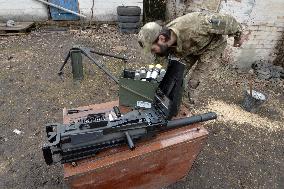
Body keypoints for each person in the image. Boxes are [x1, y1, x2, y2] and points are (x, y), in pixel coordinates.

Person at [138, 11, 244, 105]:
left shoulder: (197, 25)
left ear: (162, 38)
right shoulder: (164, 43)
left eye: (152, 49)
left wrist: (238, 37)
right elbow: (160, 66)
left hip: (212, 47)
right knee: (173, 76)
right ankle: (171, 102)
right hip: (190, 50)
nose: (153, 53)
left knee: (195, 82)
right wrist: (153, 82)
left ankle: (187, 106)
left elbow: (228, 21)